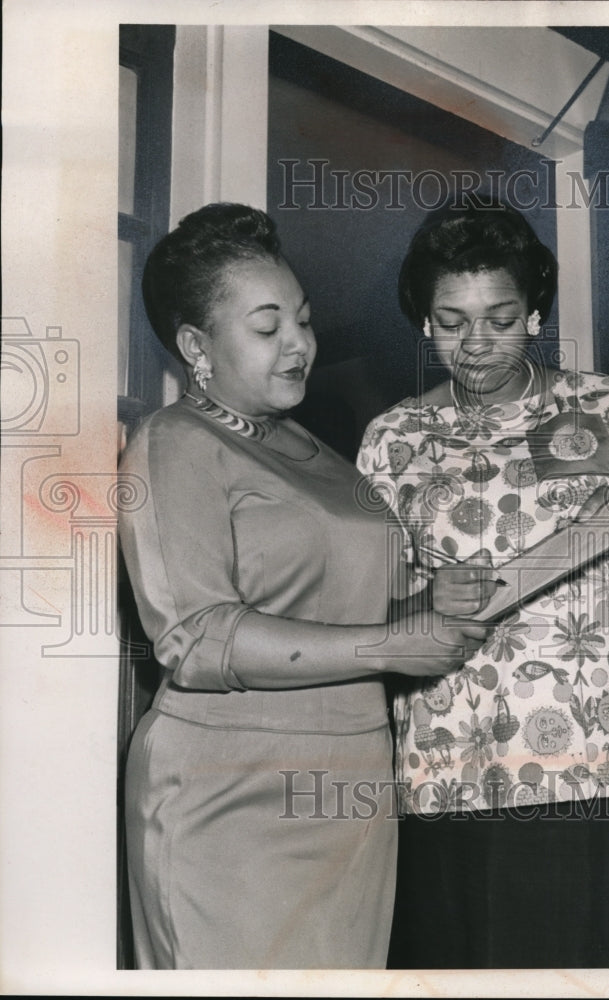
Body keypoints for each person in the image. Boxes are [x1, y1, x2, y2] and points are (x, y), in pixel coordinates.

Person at [117, 202, 488, 970]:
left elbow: (340, 612)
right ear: (197, 346)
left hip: (352, 785)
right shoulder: (175, 443)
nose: (300, 343)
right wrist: (392, 642)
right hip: (231, 793)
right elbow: (197, 638)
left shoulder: (323, 454)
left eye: (305, 320)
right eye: (267, 327)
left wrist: (426, 608)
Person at [356, 201, 609, 969]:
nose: (475, 345)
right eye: (451, 322)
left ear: (536, 315)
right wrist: (425, 603)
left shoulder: (602, 405)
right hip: (459, 750)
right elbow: (373, 615)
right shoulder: (391, 439)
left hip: (605, 740)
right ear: (423, 323)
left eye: (500, 319)